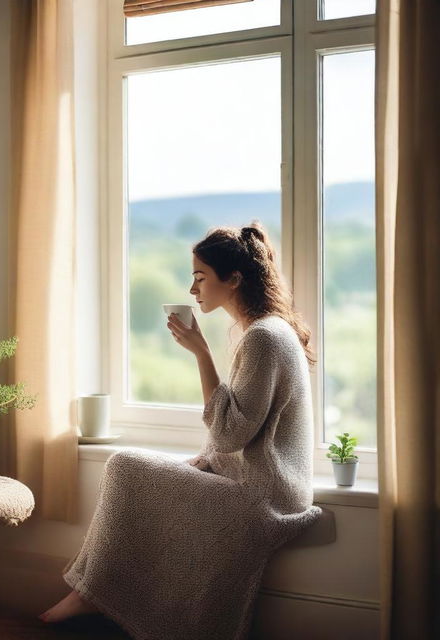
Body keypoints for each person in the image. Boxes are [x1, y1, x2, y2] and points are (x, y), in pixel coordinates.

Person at [39, 222, 321, 640]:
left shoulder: (263, 337)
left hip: (266, 495)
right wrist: (206, 461)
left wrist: (201, 354)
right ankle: (94, 593)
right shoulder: (265, 331)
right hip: (264, 482)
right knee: (137, 471)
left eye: (200, 277)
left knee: (124, 466)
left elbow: (230, 434)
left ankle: (92, 593)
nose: (193, 290)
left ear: (234, 279)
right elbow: (239, 431)